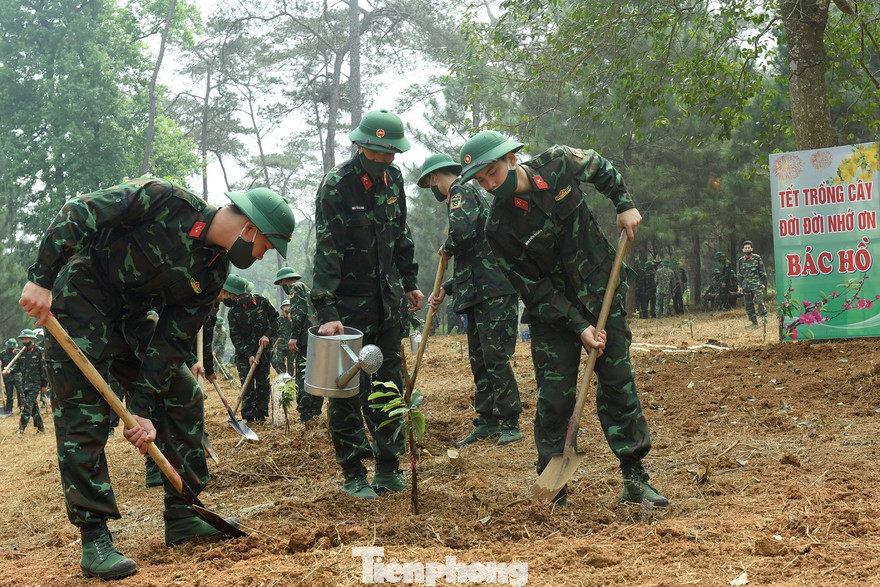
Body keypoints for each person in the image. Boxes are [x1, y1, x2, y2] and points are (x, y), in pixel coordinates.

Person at [18, 178, 294, 580]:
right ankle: (94, 539)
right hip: (80, 303)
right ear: (249, 228)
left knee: (182, 394)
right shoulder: (163, 198)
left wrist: (143, 408)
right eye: (266, 245)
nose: (265, 253)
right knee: (83, 418)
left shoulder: (214, 271)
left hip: (132, 319)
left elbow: (171, 341)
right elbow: (81, 208)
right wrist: (41, 278)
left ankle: (183, 513)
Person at [458, 130, 667, 507]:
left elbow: (600, 167)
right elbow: (532, 288)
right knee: (554, 398)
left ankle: (635, 477)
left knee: (619, 384)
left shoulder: (557, 163)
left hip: (601, 290)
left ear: (511, 159)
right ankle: (553, 489)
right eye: (481, 180)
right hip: (553, 317)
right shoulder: (498, 227)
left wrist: (623, 203)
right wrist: (578, 325)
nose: (489, 184)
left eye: (492, 172)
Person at [311, 109, 424, 499]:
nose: (384, 160)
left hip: (387, 304)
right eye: (377, 152)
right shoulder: (337, 186)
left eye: (391, 153)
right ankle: (354, 473)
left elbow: (401, 233)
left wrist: (409, 282)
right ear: (360, 145)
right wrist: (327, 311)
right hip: (348, 310)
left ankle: (388, 466)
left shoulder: (394, 180)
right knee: (346, 391)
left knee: (388, 383)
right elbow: (326, 250)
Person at [418, 153, 522, 448]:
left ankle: (510, 421)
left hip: (494, 290)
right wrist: (448, 289)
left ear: (436, 177)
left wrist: (446, 247)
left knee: (494, 356)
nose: (433, 187)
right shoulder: (465, 194)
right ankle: (488, 420)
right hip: (478, 290)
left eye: (431, 182)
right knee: (480, 359)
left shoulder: (461, 191)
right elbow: (475, 255)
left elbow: (462, 234)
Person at [223, 274, 279, 424]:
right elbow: (235, 337)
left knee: (262, 384)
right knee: (247, 386)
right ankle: (249, 417)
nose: (233, 298)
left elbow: (276, 320)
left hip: (263, 352)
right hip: (244, 355)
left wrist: (267, 335)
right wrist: (248, 355)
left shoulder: (263, 302)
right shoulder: (233, 312)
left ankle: (261, 416)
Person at [274, 267, 323, 427]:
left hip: (305, 338)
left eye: (281, 284)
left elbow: (298, 313)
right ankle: (315, 411)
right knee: (317, 374)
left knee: (304, 374)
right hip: (317, 336)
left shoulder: (295, 288)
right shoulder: (306, 288)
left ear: (283, 282)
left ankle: (305, 414)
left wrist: (294, 336)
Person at [3, 329, 47, 434]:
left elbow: (44, 370)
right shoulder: (22, 352)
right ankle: (41, 428)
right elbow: (17, 367)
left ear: (32, 339)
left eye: (26, 338)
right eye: (23, 339)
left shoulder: (40, 351)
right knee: (34, 407)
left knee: (27, 406)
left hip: (35, 384)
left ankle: (21, 429)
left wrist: (44, 385)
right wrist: (10, 370)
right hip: (25, 384)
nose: (24, 340)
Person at [737, 240, 768, 326]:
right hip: (746, 286)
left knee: (760, 302)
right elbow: (739, 274)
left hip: (756, 284)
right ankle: (754, 322)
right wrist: (739, 286)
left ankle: (764, 320)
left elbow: (763, 272)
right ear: (743, 250)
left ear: (752, 249)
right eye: (745, 248)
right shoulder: (740, 260)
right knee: (748, 305)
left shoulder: (757, 258)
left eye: (749, 247)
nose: (747, 249)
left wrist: (763, 283)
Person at [1, 338, 23, 416]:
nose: (11, 349)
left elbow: (21, 363)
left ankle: (22, 408)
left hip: (17, 376)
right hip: (7, 378)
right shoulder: (2, 354)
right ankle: (9, 409)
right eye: (10, 348)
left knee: (20, 392)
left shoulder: (18, 352)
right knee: (9, 393)